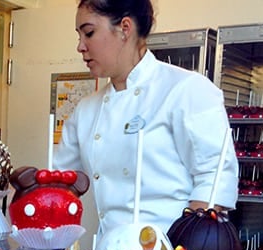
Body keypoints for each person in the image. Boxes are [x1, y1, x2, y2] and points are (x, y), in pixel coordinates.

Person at [52, 0, 238, 236]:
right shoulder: (86, 109)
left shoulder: (186, 89)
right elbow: (58, 183)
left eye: (89, 33)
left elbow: (215, 178)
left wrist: (180, 249)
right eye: (79, 36)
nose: (80, 46)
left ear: (125, 28)